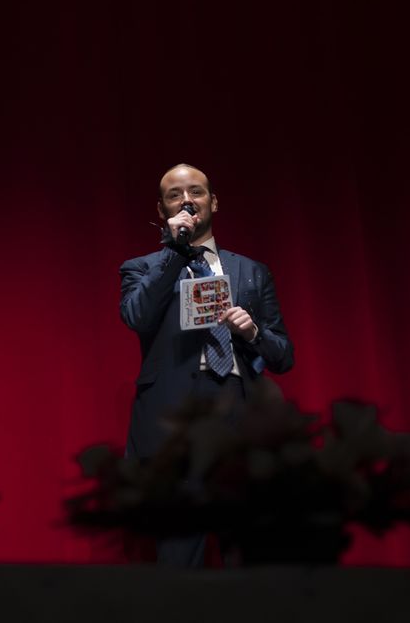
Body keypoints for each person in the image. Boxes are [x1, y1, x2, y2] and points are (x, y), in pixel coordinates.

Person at [119, 163, 295, 566]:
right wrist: (175, 252)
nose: (187, 201)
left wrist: (253, 334)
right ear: (163, 209)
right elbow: (137, 317)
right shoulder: (142, 267)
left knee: (248, 549)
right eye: (174, 195)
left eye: (195, 192)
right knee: (180, 550)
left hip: (238, 407)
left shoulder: (251, 271)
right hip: (174, 418)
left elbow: (283, 355)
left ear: (213, 201)